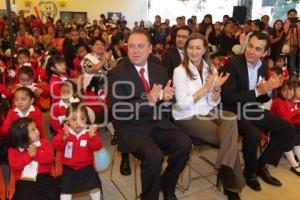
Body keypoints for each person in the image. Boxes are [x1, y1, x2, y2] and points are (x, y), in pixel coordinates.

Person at [108, 30, 192, 200]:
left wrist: (168, 99)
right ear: (127, 48)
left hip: (157, 124)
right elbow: (119, 110)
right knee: (154, 156)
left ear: (150, 49)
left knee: (185, 143)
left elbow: (168, 101)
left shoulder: (159, 70)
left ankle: (166, 185)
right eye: (131, 46)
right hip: (131, 127)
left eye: (140, 46)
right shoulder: (116, 74)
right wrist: (150, 100)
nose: (135, 50)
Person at [172, 33, 244, 200]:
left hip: (207, 110)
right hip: (187, 115)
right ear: (186, 49)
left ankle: (224, 168)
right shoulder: (179, 71)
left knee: (231, 117)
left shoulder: (210, 69)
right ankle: (231, 189)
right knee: (229, 141)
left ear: (205, 49)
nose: (194, 52)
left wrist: (217, 89)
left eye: (198, 48)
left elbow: (213, 102)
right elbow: (182, 104)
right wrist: (205, 88)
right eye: (190, 47)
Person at [221, 32, 293, 191]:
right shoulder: (232, 64)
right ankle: (250, 173)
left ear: (265, 53)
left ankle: (258, 166)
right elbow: (227, 98)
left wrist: (269, 90)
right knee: (252, 133)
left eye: (258, 49)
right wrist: (258, 91)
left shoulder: (262, 67)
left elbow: (261, 99)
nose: (251, 51)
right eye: (250, 45)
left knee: (287, 128)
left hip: (251, 108)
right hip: (233, 110)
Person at [52, 103, 102, 200]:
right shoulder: (64, 132)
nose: (78, 123)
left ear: (86, 120)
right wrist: (64, 138)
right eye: (74, 120)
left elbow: (97, 147)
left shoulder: (90, 133)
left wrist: (92, 138)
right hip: (68, 169)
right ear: (68, 120)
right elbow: (56, 146)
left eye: (81, 119)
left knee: (95, 186)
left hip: (87, 168)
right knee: (65, 190)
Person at [8, 118, 59, 200]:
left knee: (52, 190)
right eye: (33, 130)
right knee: (24, 194)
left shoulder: (43, 143)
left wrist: (36, 155)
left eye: (36, 128)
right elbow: (14, 165)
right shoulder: (13, 150)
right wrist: (28, 155)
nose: (38, 131)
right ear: (22, 135)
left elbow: (50, 158)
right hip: (24, 181)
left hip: (43, 178)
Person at [270, 80, 300, 176]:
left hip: (287, 128)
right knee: (291, 135)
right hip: (276, 130)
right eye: (284, 90)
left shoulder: (290, 102)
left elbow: (293, 119)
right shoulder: (278, 101)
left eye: (290, 89)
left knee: (297, 135)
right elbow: (285, 117)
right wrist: (297, 112)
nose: (288, 92)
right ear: (280, 91)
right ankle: (294, 165)